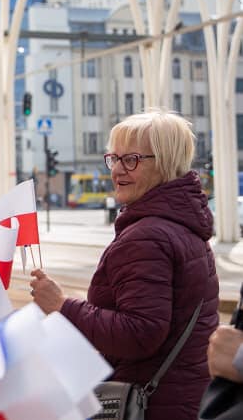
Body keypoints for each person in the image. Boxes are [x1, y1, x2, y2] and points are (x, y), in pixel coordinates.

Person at [30, 109, 218, 420]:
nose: (117, 170)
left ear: (165, 163)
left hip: (152, 404)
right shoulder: (184, 225)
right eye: (114, 159)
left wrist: (62, 306)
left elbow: (141, 332)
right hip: (184, 396)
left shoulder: (148, 236)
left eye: (131, 159)